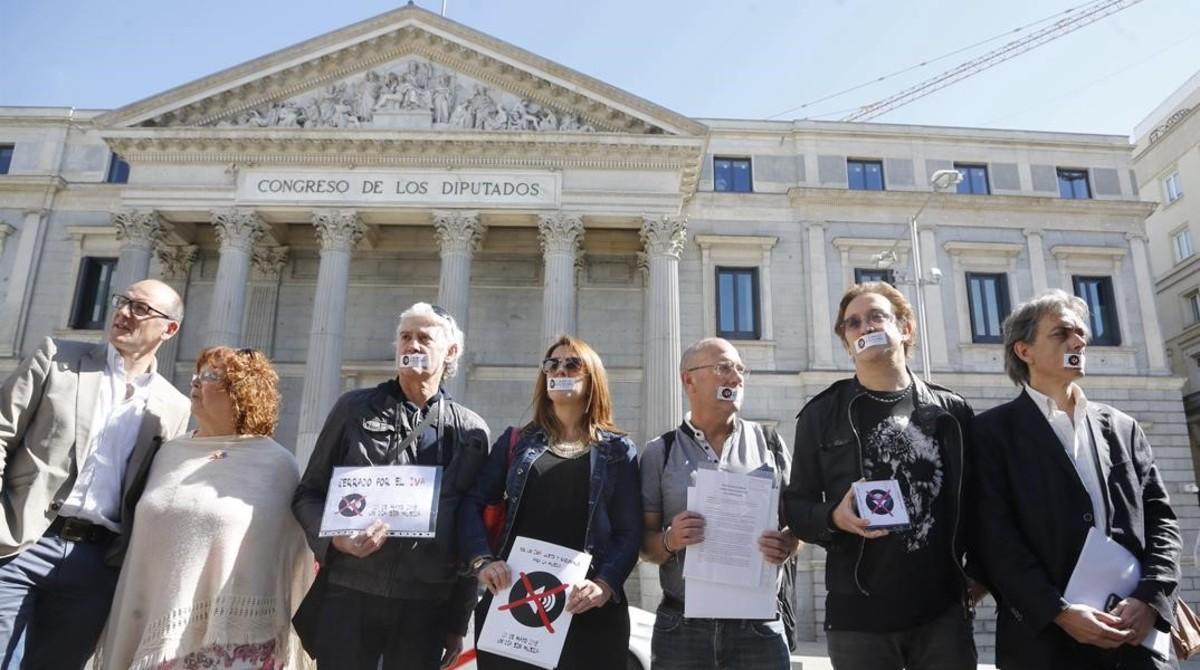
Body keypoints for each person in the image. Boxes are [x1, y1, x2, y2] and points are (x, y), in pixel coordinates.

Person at [974, 290, 1181, 669]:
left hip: (1135, 642)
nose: (1079, 340)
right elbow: (994, 539)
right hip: (1045, 646)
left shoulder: (1124, 428)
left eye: (1082, 332)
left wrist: (1150, 598)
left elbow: (1162, 522)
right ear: (1024, 351)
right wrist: (1059, 611)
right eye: (1062, 333)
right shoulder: (990, 433)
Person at [783, 282, 978, 669]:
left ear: (904, 328)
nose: (864, 327)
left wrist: (980, 578)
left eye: (876, 316)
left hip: (941, 615)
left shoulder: (951, 413)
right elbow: (796, 507)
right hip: (859, 619)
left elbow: (980, 504)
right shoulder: (821, 415)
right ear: (846, 341)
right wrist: (834, 518)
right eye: (852, 323)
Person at [0, 279, 191, 668]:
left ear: (169, 329)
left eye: (140, 309)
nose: (123, 313)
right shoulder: (57, 358)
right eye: (122, 302)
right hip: (19, 543)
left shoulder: (173, 406)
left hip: (96, 564)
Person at [292, 303, 490, 670]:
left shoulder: (472, 432)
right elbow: (308, 494)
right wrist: (335, 539)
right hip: (351, 594)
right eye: (405, 337)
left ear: (450, 352)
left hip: (425, 606)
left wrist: (457, 621)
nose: (411, 345)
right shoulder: (353, 409)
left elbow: (468, 525)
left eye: (424, 338)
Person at [100, 346, 313, 669]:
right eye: (198, 374)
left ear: (242, 392)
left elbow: (289, 555)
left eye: (212, 376)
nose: (196, 382)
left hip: (235, 644)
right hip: (153, 630)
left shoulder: (275, 465)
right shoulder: (169, 453)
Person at [459, 335, 642, 670]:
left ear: (592, 379)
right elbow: (471, 504)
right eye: (552, 364)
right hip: (516, 605)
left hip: (587, 612)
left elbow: (629, 531)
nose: (560, 369)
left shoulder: (619, 451)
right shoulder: (516, 441)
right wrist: (483, 562)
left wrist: (604, 584)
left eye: (572, 364)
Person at [639, 337, 799, 670]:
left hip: (758, 626)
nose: (736, 377)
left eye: (740, 369)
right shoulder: (660, 451)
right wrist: (671, 539)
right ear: (688, 379)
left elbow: (800, 524)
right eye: (723, 367)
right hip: (682, 629)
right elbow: (644, 545)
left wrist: (788, 543)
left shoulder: (769, 443)